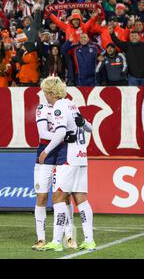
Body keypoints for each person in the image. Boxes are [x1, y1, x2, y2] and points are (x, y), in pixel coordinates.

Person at [38, 76, 96, 252]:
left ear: (49, 92)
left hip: (68, 156)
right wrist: (83, 122)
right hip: (81, 155)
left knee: (58, 197)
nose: (44, 95)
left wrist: (46, 151)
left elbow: (61, 133)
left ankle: (56, 240)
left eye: (45, 92)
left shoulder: (58, 107)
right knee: (81, 198)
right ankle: (89, 240)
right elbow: (89, 128)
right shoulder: (71, 104)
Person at [32, 100, 76, 251]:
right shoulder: (42, 107)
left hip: (64, 151)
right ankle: (41, 238)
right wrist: (62, 136)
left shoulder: (67, 105)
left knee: (64, 195)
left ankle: (69, 236)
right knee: (41, 197)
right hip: (46, 151)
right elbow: (42, 133)